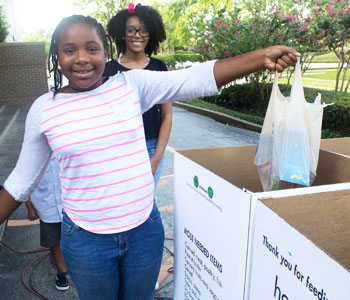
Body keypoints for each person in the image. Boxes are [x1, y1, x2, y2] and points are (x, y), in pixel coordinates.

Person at [0, 14, 299, 300]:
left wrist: (261, 57)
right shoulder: (45, 109)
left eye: (92, 49)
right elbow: (20, 181)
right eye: (69, 50)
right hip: (85, 239)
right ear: (57, 55)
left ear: (106, 51)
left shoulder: (132, 85)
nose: (81, 58)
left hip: (144, 231)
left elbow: (194, 78)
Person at [106, 4, 171, 193]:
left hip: (151, 147)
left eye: (144, 30)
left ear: (151, 34)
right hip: (119, 149)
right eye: (131, 30)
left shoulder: (159, 68)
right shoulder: (109, 70)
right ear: (122, 33)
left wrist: (156, 158)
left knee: (147, 202)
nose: (137, 35)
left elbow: (166, 116)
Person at [25, 155, 69, 291]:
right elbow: (25, 181)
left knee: (76, 237)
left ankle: (78, 265)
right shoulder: (32, 152)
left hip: (71, 203)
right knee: (54, 240)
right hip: (46, 205)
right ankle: (61, 272)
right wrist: (29, 206)